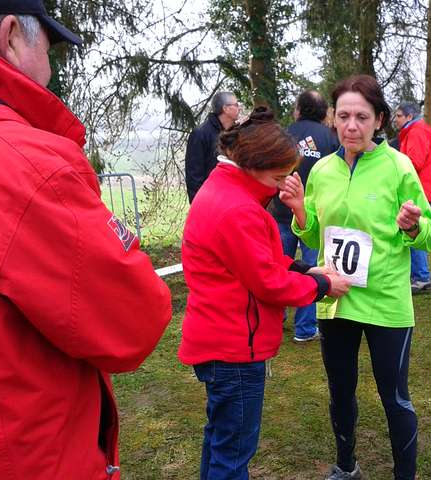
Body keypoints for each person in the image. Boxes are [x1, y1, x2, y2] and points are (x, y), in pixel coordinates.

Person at [0, 3, 173, 478]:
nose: (52, 72)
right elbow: (134, 318)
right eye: (49, 50)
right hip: (31, 456)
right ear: (10, 37)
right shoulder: (27, 168)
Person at [280, 75, 431, 480]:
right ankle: (346, 466)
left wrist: (412, 227)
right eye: (344, 116)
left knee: (394, 398)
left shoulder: (398, 167)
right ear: (333, 119)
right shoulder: (322, 171)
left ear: (379, 120)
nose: (351, 126)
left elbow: (430, 235)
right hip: (336, 299)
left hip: (386, 302)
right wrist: (299, 211)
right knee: (340, 392)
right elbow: (314, 236)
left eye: (362, 117)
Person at [179, 107, 351, 480]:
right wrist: (323, 286)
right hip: (233, 349)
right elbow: (269, 282)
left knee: (221, 440)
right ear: (254, 165)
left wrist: (306, 269)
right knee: (233, 453)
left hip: (218, 341)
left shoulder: (225, 191)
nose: (280, 186)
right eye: (278, 177)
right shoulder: (238, 210)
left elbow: (259, 260)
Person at [269, 90, 340, 342]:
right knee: (313, 270)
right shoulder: (331, 138)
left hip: (280, 212)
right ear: (323, 111)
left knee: (277, 268)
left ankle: (274, 321)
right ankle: (305, 328)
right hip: (315, 218)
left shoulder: (283, 134)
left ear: (299, 110)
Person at [394, 101, 431, 293]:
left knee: (416, 230)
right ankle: (417, 275)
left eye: (398, 115)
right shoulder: (413, 131)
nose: (395, 119)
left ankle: (421, 278)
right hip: (418, 188)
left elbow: (414, 163)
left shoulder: (417, 132)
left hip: (420, 190)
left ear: (409, 116)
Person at [185, 91, 241, 203]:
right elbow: (194, 177)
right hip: (211, 202)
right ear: (226, 109)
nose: (239, 108)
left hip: (234, 199)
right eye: (236, 105)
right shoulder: (200, 134)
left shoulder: (236, 133)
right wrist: (201, 204)